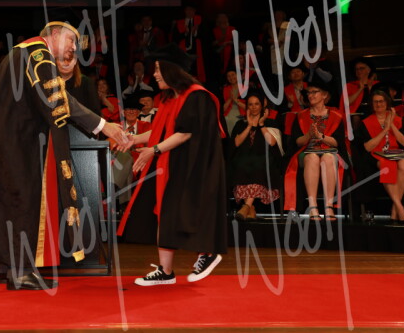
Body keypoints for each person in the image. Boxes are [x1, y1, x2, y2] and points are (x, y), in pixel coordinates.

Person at [0, 21, 128, 291]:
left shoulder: (21, 52)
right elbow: (57, 99)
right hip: (20, 144)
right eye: (71, 40)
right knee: (23, 202)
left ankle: (7, 268)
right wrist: (104, 125)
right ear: (55, 34)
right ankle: (22, 272)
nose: (74, 48)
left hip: (5, 140)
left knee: (5, 203)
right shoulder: (38, 54)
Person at [117, 43, 226, 286]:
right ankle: (165, 271)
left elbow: (185, 133)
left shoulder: (196, 95)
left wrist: (153, 150)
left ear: (172, 70)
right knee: (163, 212)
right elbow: (161, 130)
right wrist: (135, 139)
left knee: (187, 210)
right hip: (173, 161)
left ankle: (207, 252)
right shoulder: (169, 98)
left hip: (195, 166)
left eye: (158, 69)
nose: (154, 74)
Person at [354, 90, 404, 224]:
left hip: (397, 153)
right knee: (387, 165)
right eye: (375, 102)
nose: (378, 104)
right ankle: (399, 208)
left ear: (387, 103)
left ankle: (395, 209)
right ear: (371, 104)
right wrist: (384, 130)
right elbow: (368, 147)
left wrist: (391, 125)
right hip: (376, 155)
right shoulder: (366, 122)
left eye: (381, 101)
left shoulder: (398, 120)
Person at [283, 78, 347, 221]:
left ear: (324, 95)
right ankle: (313, 207)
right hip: (306, 152)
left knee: (328, 157)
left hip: (330, 151)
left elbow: (337, 142)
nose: (310, 95)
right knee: (312, 157)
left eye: (314, 92)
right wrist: (309, 135)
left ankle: (329, 206)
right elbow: (297, 141)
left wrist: (320, 136)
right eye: (308, 92)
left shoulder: (336, 115)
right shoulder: (301, 116)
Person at [228, 92, 283, 221]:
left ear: (262, 105)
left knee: (259, 165)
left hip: (265, 159)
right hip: (243, 159)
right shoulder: (240, 124)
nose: (253, 107)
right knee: (241, 164)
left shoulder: (270, 122)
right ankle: (250, 208)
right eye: (250, 104)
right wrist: (249, 125)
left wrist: (261, 125)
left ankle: (246, 206)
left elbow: (272, 142)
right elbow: (236, 143)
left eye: (256, 104)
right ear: (247, 106)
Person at [222, 69, 246, 136]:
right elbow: (223, 109)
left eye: (233, 75)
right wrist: (230, 99)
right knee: (225, 119)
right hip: (228, 113)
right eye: (228, 76)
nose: (231, 77)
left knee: (236, 121)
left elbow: (248, 108)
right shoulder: (225, 89)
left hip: (242, 113)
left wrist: (235, 100)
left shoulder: (245, 88)